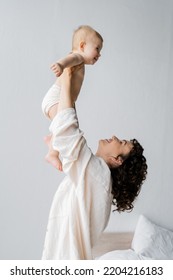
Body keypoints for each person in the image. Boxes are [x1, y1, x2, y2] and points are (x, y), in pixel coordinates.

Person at [41, 67, 148, 260]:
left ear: (117, 160)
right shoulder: (95, 177)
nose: (115, 137)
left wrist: (67, 77)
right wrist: (68, 82)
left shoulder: (99, 177)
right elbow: (69, 132)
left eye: (121, 142)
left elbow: (69, 132)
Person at [42, 25, 103, 171]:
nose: (99, 54)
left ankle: (52, 144)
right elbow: (70, 59)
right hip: (56, 98)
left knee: (69, 126)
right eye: (97, 49)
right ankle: (52, 152)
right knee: (66, 126)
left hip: (66, 100)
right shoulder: (78, 57)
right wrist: (60, 65)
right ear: (82, 45)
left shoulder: (81, 61)